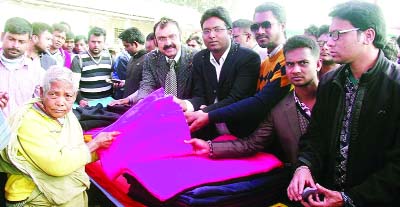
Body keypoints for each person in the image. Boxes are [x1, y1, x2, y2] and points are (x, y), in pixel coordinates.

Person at [287, 1, 400, 206]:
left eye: (338, 34)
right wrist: (304, 166)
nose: (329, 43)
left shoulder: (395, 86)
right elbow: (316, 136)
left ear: (368, 35)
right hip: (327, 194)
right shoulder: (330, 81)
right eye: (330, 34)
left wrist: (350, 199)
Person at [185, 35, 320, 165]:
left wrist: (209, 115)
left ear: (318, 64)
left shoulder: (336, 97)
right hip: (299, 181)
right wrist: (209, 147)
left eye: (303, 63)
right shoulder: (279, 108)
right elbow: (252, 143)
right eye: (290, 64)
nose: (295, 70)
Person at [0, 66, 119, 206]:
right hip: (37, 198)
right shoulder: (28, 120)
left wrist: (104, 147)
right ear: (41, 92)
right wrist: (95, 144)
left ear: (75, 96)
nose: (61, 102)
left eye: (68, 96)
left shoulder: (68, 116)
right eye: (54, 94)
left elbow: (76, 151)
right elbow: (57, 164)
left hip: (68, 194)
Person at [185, 2, 291, 136]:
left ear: (282, 25)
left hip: (282, 134)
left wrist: (209, 114)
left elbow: (258, 102)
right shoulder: (265, 63)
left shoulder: (289, 61)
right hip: (261, 135)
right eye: (255, 27)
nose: (260, 31)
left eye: (266, 25)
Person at [175, 7, 260, 138]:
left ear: (230, 32)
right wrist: (186, 104)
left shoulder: (248, 58)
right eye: (206, 31)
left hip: (241, 133)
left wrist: (205, 112)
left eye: (217, 29)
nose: (211, 35)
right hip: (208, 132)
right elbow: (200, 95)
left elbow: (236, 99)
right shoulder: (200, 58)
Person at [125, 17, 197, 106]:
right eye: (162, 38)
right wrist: (142, 103)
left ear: (180, 37)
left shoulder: (196, 57)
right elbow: (147, 85)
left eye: (172, 36)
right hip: (161, 112)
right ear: (156, 41)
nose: (168, 43)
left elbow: (201, 94)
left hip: (189, 114)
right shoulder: (151, 58)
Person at [0, 17, 45, 117]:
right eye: (11, 39)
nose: (15, 45)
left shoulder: (37, 73)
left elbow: (40, 107)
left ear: (29, 42)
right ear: (2, 36)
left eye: (21, 41)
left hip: (22, 129)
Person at [71, 27, 113, 107]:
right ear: (88, 42)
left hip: (107, 102)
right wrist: (80, 100)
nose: (96, 45)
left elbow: (111, 80)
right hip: (87, 105)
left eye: (99, 42)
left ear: (104, 42)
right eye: (93, 42)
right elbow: (74, 85)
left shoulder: (110, 58)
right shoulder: (78, 59)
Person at [108, 27, 147, 106]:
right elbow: (134, 80)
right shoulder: (131, 59)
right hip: (126, 104)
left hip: (138, 106)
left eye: (127, 46)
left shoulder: (148, 61)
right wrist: (124, 83)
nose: (125, 49)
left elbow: (147, 87)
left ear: (135, 44)